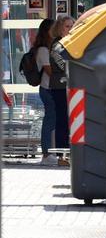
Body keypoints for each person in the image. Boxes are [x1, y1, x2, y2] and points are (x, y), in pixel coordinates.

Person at [47, 15, 74, 167]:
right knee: (62, 121)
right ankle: (62, 155)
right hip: (60, 87)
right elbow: (66, 66)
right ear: (59, 28)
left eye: (72, 26)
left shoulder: (69, 43)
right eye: (67, 26)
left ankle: (68, 153)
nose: (70, 29)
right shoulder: (57, 46)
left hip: (69, 87)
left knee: (69, 121)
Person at [34, 18, 57, 166]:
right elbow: (50, 72)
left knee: (52, 120)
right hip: (47, 89)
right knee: (49, 120)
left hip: (51, 89)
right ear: (47, 31)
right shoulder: (43, 50)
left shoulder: (50, 48)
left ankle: (49, 152)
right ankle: (46, 153)